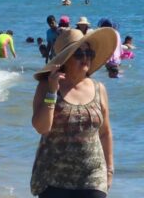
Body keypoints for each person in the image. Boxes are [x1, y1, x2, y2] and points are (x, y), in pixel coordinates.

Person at [30, 27, 116, 197]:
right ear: (65, 59)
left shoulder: (99, 89)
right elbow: (42, 128)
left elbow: (105, 133)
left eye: (89, 53)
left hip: (93, 176)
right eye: (78, 54)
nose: (85, 58)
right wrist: (52, 92)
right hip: (53, 177)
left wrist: (109, 169)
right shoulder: (46, 86)